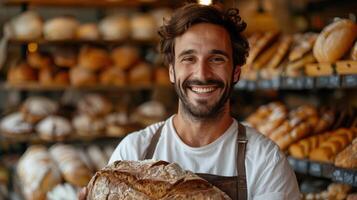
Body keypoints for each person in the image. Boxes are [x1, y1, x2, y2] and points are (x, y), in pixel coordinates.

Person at [79, 3, 300, 200]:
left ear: (236, 72)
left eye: (216, 59)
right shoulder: (135, 150)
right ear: (172, 72)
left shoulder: (265, 160)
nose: (202, 74)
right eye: (189, 58)